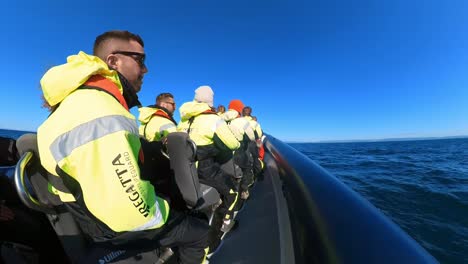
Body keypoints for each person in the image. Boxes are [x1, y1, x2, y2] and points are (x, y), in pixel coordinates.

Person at [36, 30, 208, 264]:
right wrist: (168, 208)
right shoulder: (102, 112)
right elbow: (131, 213)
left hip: (81, 211)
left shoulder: (75, 102)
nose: (145, 69)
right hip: (107, 226)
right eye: (140, 60)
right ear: (113, 61)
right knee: (199, 233)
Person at [177, 86, 240, 237]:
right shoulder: (213, 119)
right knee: (233, 191)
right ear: (210, 100)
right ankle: (226, 222)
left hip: (184, 169)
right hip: (204, 169)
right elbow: (233, 144)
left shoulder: (185, 119)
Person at [222, 100, 256, 201]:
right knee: (247, 168)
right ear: (240, 109)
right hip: (238, 153)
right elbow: (252, 137)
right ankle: (244, 190)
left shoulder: (219, 118)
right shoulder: (242, 121)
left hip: (222, 154)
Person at [242, 106, 264, 177]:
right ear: (250, 112)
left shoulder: (239, 120)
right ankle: (257, 174)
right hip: (252, 142)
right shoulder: (253, 121)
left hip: (242, 142)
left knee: (245, 158)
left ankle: (246, 175)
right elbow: (260, 133)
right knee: (255, 158)